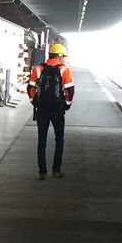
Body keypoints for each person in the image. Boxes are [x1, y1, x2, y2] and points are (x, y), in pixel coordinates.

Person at [28, 43, 74, 180]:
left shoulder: (38, 68)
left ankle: (42, 171)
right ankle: (56, 169)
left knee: (42, 140)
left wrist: (35, 102)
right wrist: (66, 105)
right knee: (59, 139)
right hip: (57, 110)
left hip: (42, 110)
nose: (65, 58)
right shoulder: (64, 70)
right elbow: (70, 91)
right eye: (64, 56)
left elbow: (30, 88)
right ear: (59, 56)